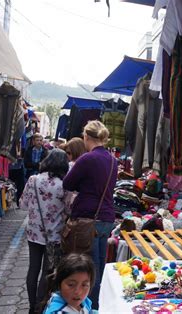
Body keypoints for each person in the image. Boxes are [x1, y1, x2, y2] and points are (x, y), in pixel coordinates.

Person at [63, 121, 117, 309]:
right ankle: (99, 305)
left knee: (87, 269)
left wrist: (84, 187)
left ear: (86, 137)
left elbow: (67, 183)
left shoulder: (86, 159)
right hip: (107, 218)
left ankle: (90, 308)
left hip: (88, 219)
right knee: (99, 268)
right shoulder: (112, 160)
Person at [20, 148, 70, 313]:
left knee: (32, 268)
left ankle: (31, 305)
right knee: (47, 271)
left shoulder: (33, 179)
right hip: (54, 235)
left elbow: (23, 205)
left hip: (33, 233)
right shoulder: (64, 185)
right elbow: (69, 210)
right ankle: (40, 307)